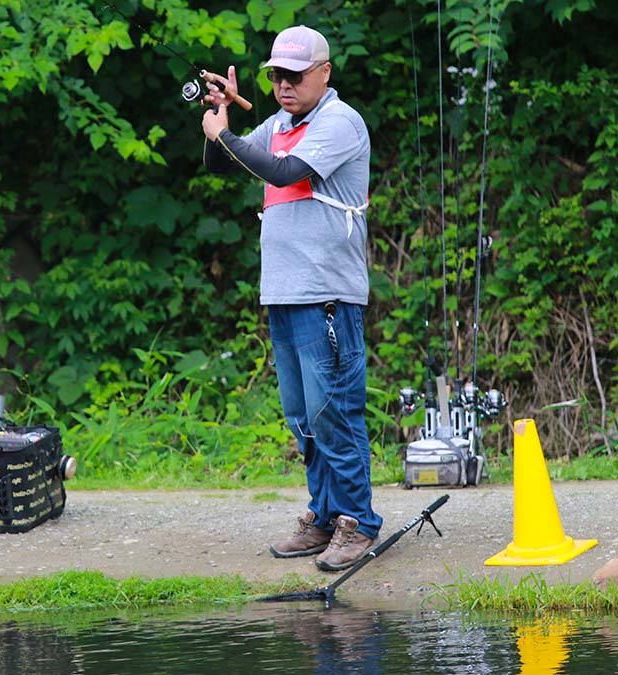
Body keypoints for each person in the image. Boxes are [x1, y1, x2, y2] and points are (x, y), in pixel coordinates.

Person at [199, 25, 383, 571]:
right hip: (283, 292)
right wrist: (218, 125)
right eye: (276, 75)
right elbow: (222, 165)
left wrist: (225, 134)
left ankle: (358, 522)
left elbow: (283, 170)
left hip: (326, 293)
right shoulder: (279, 123)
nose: (283, 85)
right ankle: (325, 516)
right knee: (302, 415)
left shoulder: (339, 122)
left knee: (334, 413)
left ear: (324, 74)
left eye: (294, 76)